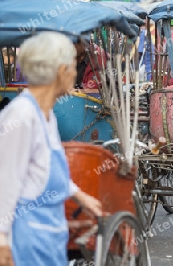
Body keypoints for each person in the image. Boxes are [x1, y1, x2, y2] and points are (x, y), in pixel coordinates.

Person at [0, 32, 103, 266]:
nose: (75, 73)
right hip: (26, 242)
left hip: (50, 239)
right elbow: (5, 181)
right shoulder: (21, 116)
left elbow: (45, 170)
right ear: (60, 71)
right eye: (72, 67)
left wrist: (80, 196)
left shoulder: (47, 114)